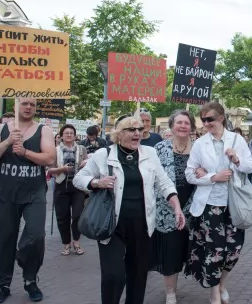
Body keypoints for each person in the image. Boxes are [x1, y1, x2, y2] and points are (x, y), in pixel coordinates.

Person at [74, 116, 184, 304]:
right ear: (119, 133)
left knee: (138, 276)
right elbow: (79, 178)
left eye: (140, 129)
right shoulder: (104, 154)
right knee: (114, 275)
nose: (137, 133)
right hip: (111, 224)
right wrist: (96, 182)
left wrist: (177, 206)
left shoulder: (149, 153)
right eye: (131, 130)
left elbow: (163, 182)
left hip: (142, 225)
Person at [185, 102, 252, 304]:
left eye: (210, 119)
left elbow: (250, 167)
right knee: (215, 251)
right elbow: (190, 174)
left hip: (234, 203)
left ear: (221, 118)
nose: (206, 123)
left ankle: (222, 284)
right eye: (204, 120)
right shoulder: (200, 144)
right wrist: (212, 177)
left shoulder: (236, 139)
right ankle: (214, 294)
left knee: (233, 251)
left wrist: (237, 159)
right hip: (210, 205)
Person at [0, 99, 55, 303]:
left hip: (33, 192)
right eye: (25, 103)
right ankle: (3, 284)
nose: (28, 107)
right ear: (16, 106)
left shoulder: (43, 130)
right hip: (4, 193)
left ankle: (30, 278)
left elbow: (50, 158)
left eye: (33, 105)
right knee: (2, 239)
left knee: (36, 235)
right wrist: (7, 143)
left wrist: (25, 152)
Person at [152, 111, 197, 304]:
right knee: (170, 252)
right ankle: (170, 292)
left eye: (186, 123)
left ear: (191, 127)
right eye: (179, 122)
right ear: (171, 125)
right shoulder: (160, 148)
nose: (182, 126)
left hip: (193, 208)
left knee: (189, 250)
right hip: (166, 209)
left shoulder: (198, 149)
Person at [48, 124, 89, 256]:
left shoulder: (82, 149)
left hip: (78, 186)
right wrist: (62, 169)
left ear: (75, 135)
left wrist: (85, 164)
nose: (69, 135)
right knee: (62, 217)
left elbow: (89, 166)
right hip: (61, 186)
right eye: (66, 133)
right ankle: (66, 244)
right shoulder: (55, 150)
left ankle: (76, 242)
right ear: (61, 136)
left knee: (77, 215)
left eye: (71, 133)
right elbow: (49, 170)